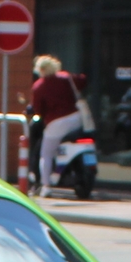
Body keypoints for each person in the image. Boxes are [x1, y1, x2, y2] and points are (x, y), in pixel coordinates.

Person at [28, 54, 81, 195]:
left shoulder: (39, 86)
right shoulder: (65, 77)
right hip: (76, 118)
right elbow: (81, 81)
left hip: (56, 122)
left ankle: (46, 186)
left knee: (46, 154)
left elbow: (38, 109)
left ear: (40, 69)